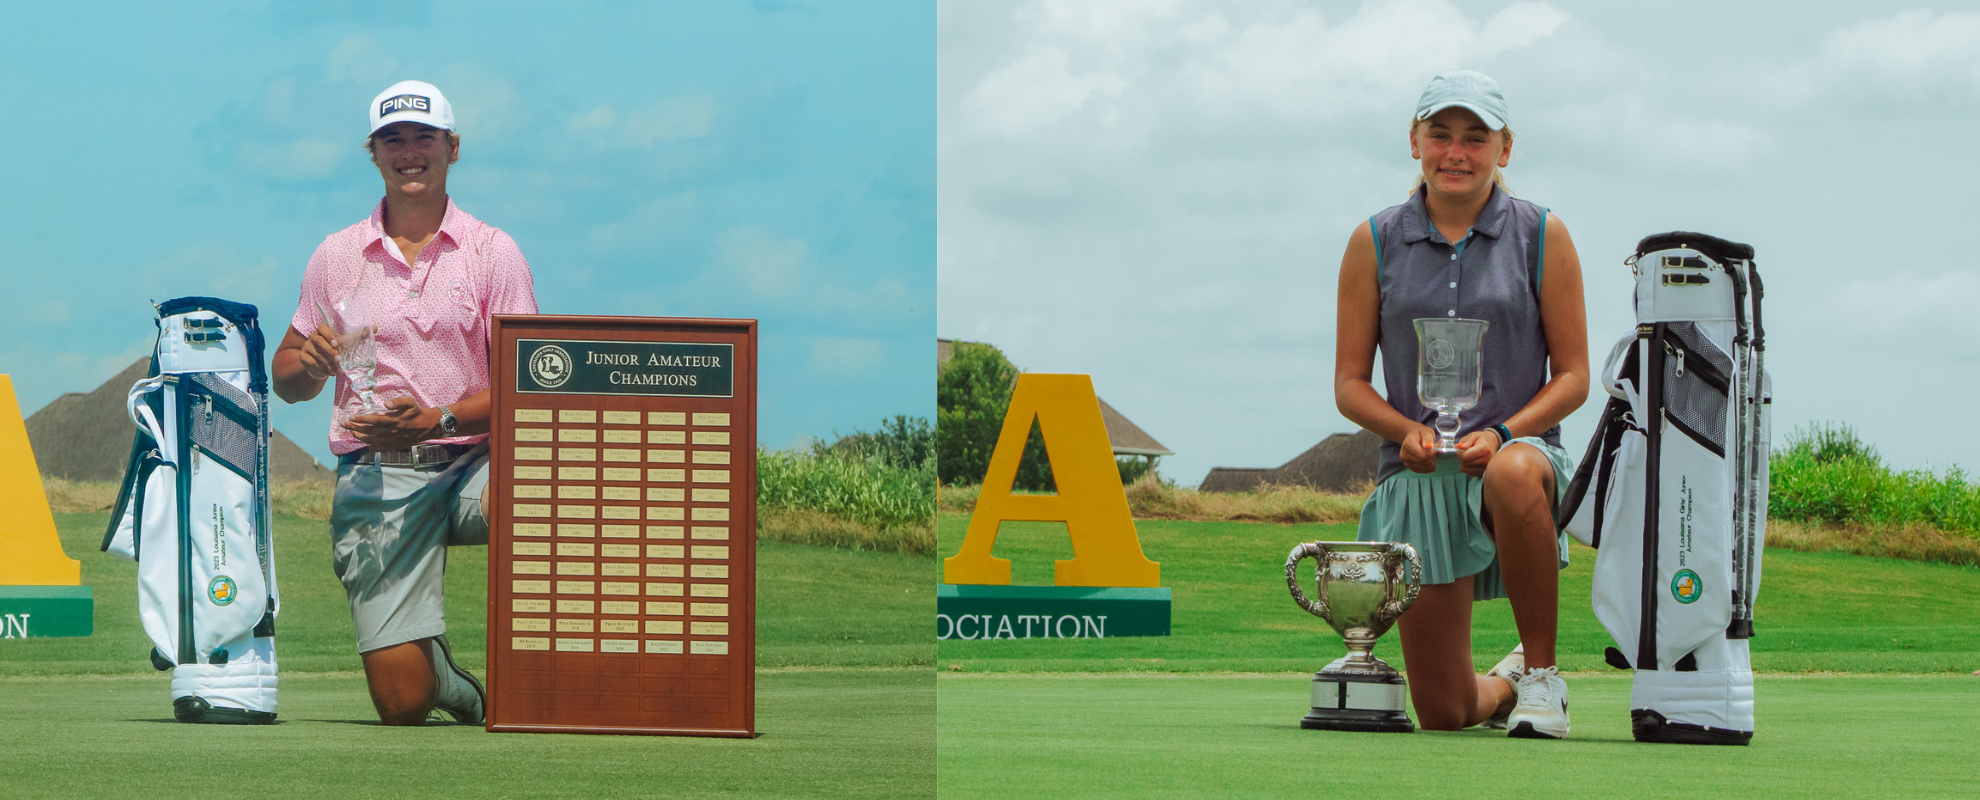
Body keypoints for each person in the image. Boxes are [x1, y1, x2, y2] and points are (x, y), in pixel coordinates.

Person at [272, 80, 538, 726]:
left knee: (552, 499)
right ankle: (443, 676)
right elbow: (285, 373)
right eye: (394, 139)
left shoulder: (490, 251)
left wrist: (441, 418)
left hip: (478, 462)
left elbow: (528, 383)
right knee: (402, 704)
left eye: (424, 137)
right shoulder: (336, 256)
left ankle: (565, 672)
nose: (409, 151)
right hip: (377, 471)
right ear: (374, 153)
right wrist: (306, 368)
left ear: (452, 148)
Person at [1332, 71, 1589, 738]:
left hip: (1522, 461)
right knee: (1444, 712)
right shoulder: (1374, 240)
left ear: (1504, 150)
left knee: (1510, 468)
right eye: (1441, 135)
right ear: (1415, 142)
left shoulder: (1542, 234)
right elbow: (1350, 386)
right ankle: (1505, 688)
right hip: (1417, 474)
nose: (1456, 152)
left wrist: (1505, 432)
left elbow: (1574, 377)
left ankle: (1541, 677)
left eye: (1476, 138)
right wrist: (1404, 431)